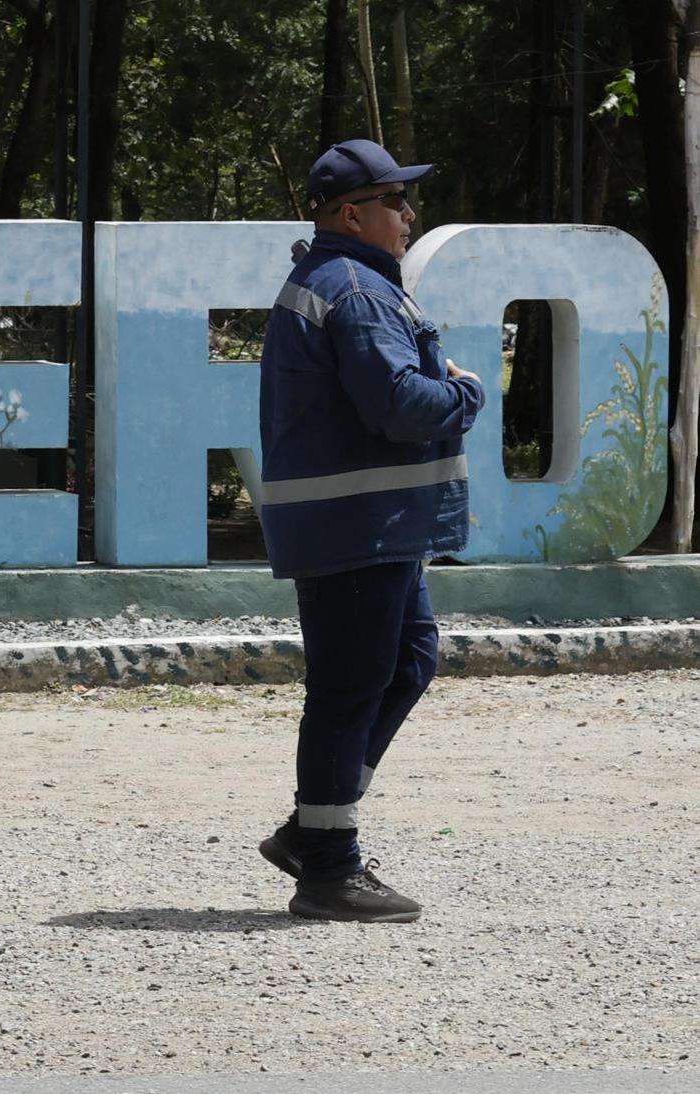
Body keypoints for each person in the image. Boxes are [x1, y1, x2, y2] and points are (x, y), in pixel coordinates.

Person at [256, 140, 485, 923]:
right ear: (350, 215)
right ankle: (326, 865)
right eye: (394, 201)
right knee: (349, 688)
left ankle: (309, 830)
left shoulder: (347, 280)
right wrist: (466, 394)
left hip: (373, 526)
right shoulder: (353, 288)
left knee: (405, 663)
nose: (408, 214)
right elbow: (395, 405)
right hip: (356, 526)